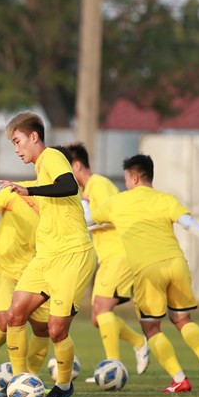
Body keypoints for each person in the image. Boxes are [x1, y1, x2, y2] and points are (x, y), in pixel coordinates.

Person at [91, 154, 199, 392]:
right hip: (177, 264)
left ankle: (179, 379)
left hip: (147, 269)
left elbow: (88, 219)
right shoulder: (166, 199)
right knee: (183, 320)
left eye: (126, 178)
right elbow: (188, 223)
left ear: (133, 177)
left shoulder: (119, 201)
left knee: (151, 328)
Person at [0, 112, 95, 397]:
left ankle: (64, 386)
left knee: (56, 329)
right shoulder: (41, 169)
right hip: (47, 257)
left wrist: (29, 190)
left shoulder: (51, 156)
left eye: (17, 141)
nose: (16, 149)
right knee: (15, 314)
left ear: (34, 137)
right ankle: (19, 381)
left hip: (73, 255)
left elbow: (69, 186)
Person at [67, 143, 150, 379]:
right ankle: (138, 342)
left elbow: (112, 216)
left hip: (119, 255)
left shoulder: (98, 185)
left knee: (102, 311)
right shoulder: (88, 191)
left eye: (66, 168)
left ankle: (113, 366)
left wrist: (82, 223)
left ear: (77, 165)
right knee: (97, 317)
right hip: (109, 257)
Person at [0, 177, 52, 389]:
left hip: (35, 271)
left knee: (44, 328)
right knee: (5, 321)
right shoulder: (18, 190)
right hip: (4, 269)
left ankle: (28, 381)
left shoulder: (57, 200)